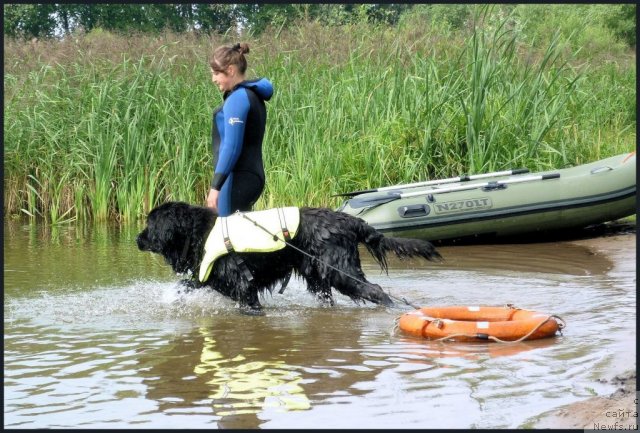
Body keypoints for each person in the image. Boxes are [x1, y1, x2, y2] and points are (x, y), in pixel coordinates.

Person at [207, 42, 273, 216]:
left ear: (230, 70)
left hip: (237, 179)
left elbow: (232, 147)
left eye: (216, 73)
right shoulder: (252, 95)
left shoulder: (238, 98)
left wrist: (215, 187)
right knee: (240, 238)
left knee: (226, 237)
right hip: (250, 176)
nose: (213, 79)